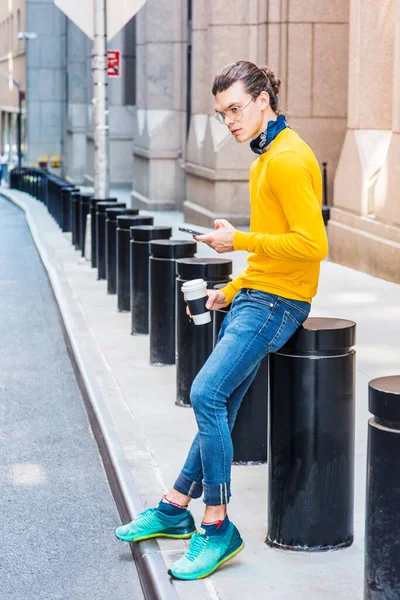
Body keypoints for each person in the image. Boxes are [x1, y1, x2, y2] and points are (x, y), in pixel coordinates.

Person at [115, 60, 328, 580]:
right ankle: (172, 508)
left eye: (236, 109)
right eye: (221, 113)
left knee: (208, 394)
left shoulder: (287, 160)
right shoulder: (265, 157)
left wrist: (239, 240)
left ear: (262, 101)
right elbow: (268, 252)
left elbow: (313, 244)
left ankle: (216, 525)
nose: (229, 121)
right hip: (259, 294)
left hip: (279, 303)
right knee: (221, 403)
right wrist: (227, 290)